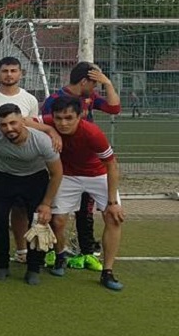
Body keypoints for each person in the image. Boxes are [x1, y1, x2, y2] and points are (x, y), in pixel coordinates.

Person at [0, 105, 62, 284]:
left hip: (34, 180)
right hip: (3, 178)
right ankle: (2, 265)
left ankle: (34, 268)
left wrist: (46, 204)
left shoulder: (41, 141)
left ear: (23, 121)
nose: (9, 128)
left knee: (38, 222)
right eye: (4, 125)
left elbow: (57, 173)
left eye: (13, 123)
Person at [41, 62, 121, 268]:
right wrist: (52, 131)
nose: (96, 88)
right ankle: (54, 251)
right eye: (94, 83)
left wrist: (108, 83)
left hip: (92, 165)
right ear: (84, 81)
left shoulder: (90, 99)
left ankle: (87, 252)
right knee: (58, 216)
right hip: (66, 167)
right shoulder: (54, 100)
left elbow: (114, 108)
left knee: (86, 211)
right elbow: (40, 123)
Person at [44, 96, 125, 291]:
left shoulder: (93, 133)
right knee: (57, 221)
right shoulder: (49, 122)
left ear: (80, 116)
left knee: (113, 217)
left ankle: (107, 272)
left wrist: (112, 201)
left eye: (69, 118)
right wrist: (49, 130)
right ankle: (60, 256)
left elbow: (112, 166)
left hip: (98, 175)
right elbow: (25, 121)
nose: (63, 123)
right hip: (68, 176)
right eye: (58, 118)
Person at [0, 57, 39, 267]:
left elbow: (33, 132)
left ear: (21, 73)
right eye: (5, 71)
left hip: (21, 166)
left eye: (13, 70)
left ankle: (21, 249)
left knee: (20, 209)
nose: (9, 74)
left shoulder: (30, 100)